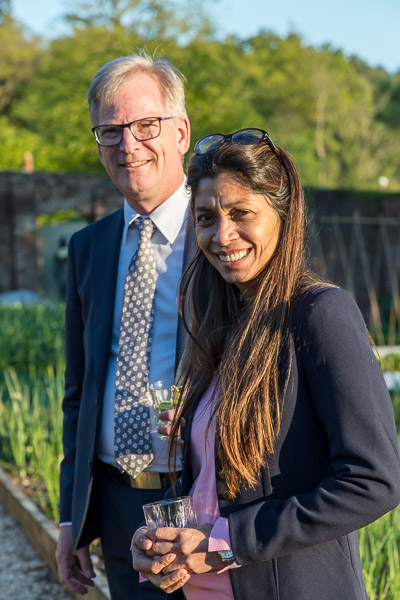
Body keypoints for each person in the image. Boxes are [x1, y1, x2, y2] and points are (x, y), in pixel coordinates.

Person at [131, 128, 400, 599]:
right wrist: (158, 543)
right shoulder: (223, 323)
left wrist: (228, 543)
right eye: (206, 218)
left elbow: (375, 482)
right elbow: (218, 487)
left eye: (241, 214)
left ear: (282, 213)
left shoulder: (320, 314)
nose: (222, 235)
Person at [55, 52, 192, 599]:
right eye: (110, 131)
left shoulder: (224, 241)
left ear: (180, 132)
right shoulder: (88, 247)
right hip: (116, 506)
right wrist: (71, 518)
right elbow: (79, 391)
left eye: (145, 125)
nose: (128, 144)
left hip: (204, 499)